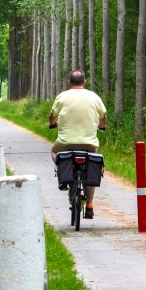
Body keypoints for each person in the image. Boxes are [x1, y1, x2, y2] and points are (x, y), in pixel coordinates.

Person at [49, 70, 107, 219]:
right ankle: (89, 205)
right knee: (92, 166)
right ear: (84, 82)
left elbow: (52, 115)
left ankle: (64, 174)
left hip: (66, 143)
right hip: (89, 144)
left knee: (54, 152)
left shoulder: (62, 97)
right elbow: (103, 116)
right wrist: (102, 126)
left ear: (69, 82)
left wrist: (53, 124)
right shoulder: (94, 97)